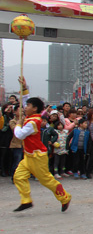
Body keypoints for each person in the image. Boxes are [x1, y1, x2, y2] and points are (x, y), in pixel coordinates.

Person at [12, 77, 71, 212]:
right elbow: (27, 99)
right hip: (29, 155)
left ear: (35, 109)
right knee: (18, 177)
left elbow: (19, 134)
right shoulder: (31, 116)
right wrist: (24, 87)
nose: (25, 107)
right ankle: (26, 200)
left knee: (46, 181)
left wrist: (18, 124)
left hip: (38, 156)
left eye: (28, 106)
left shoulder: (34, 122)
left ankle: (65, 198)